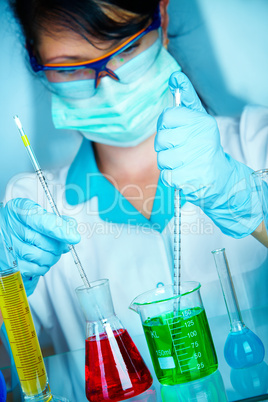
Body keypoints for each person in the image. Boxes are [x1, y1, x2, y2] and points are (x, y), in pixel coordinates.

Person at [0, 0, 267, 353]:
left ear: (163, 18)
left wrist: (254, 207)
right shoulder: (29, 205)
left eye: (126, 49)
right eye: (71, 68)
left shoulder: (256, 142)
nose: (108, 86)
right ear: (38, 60)